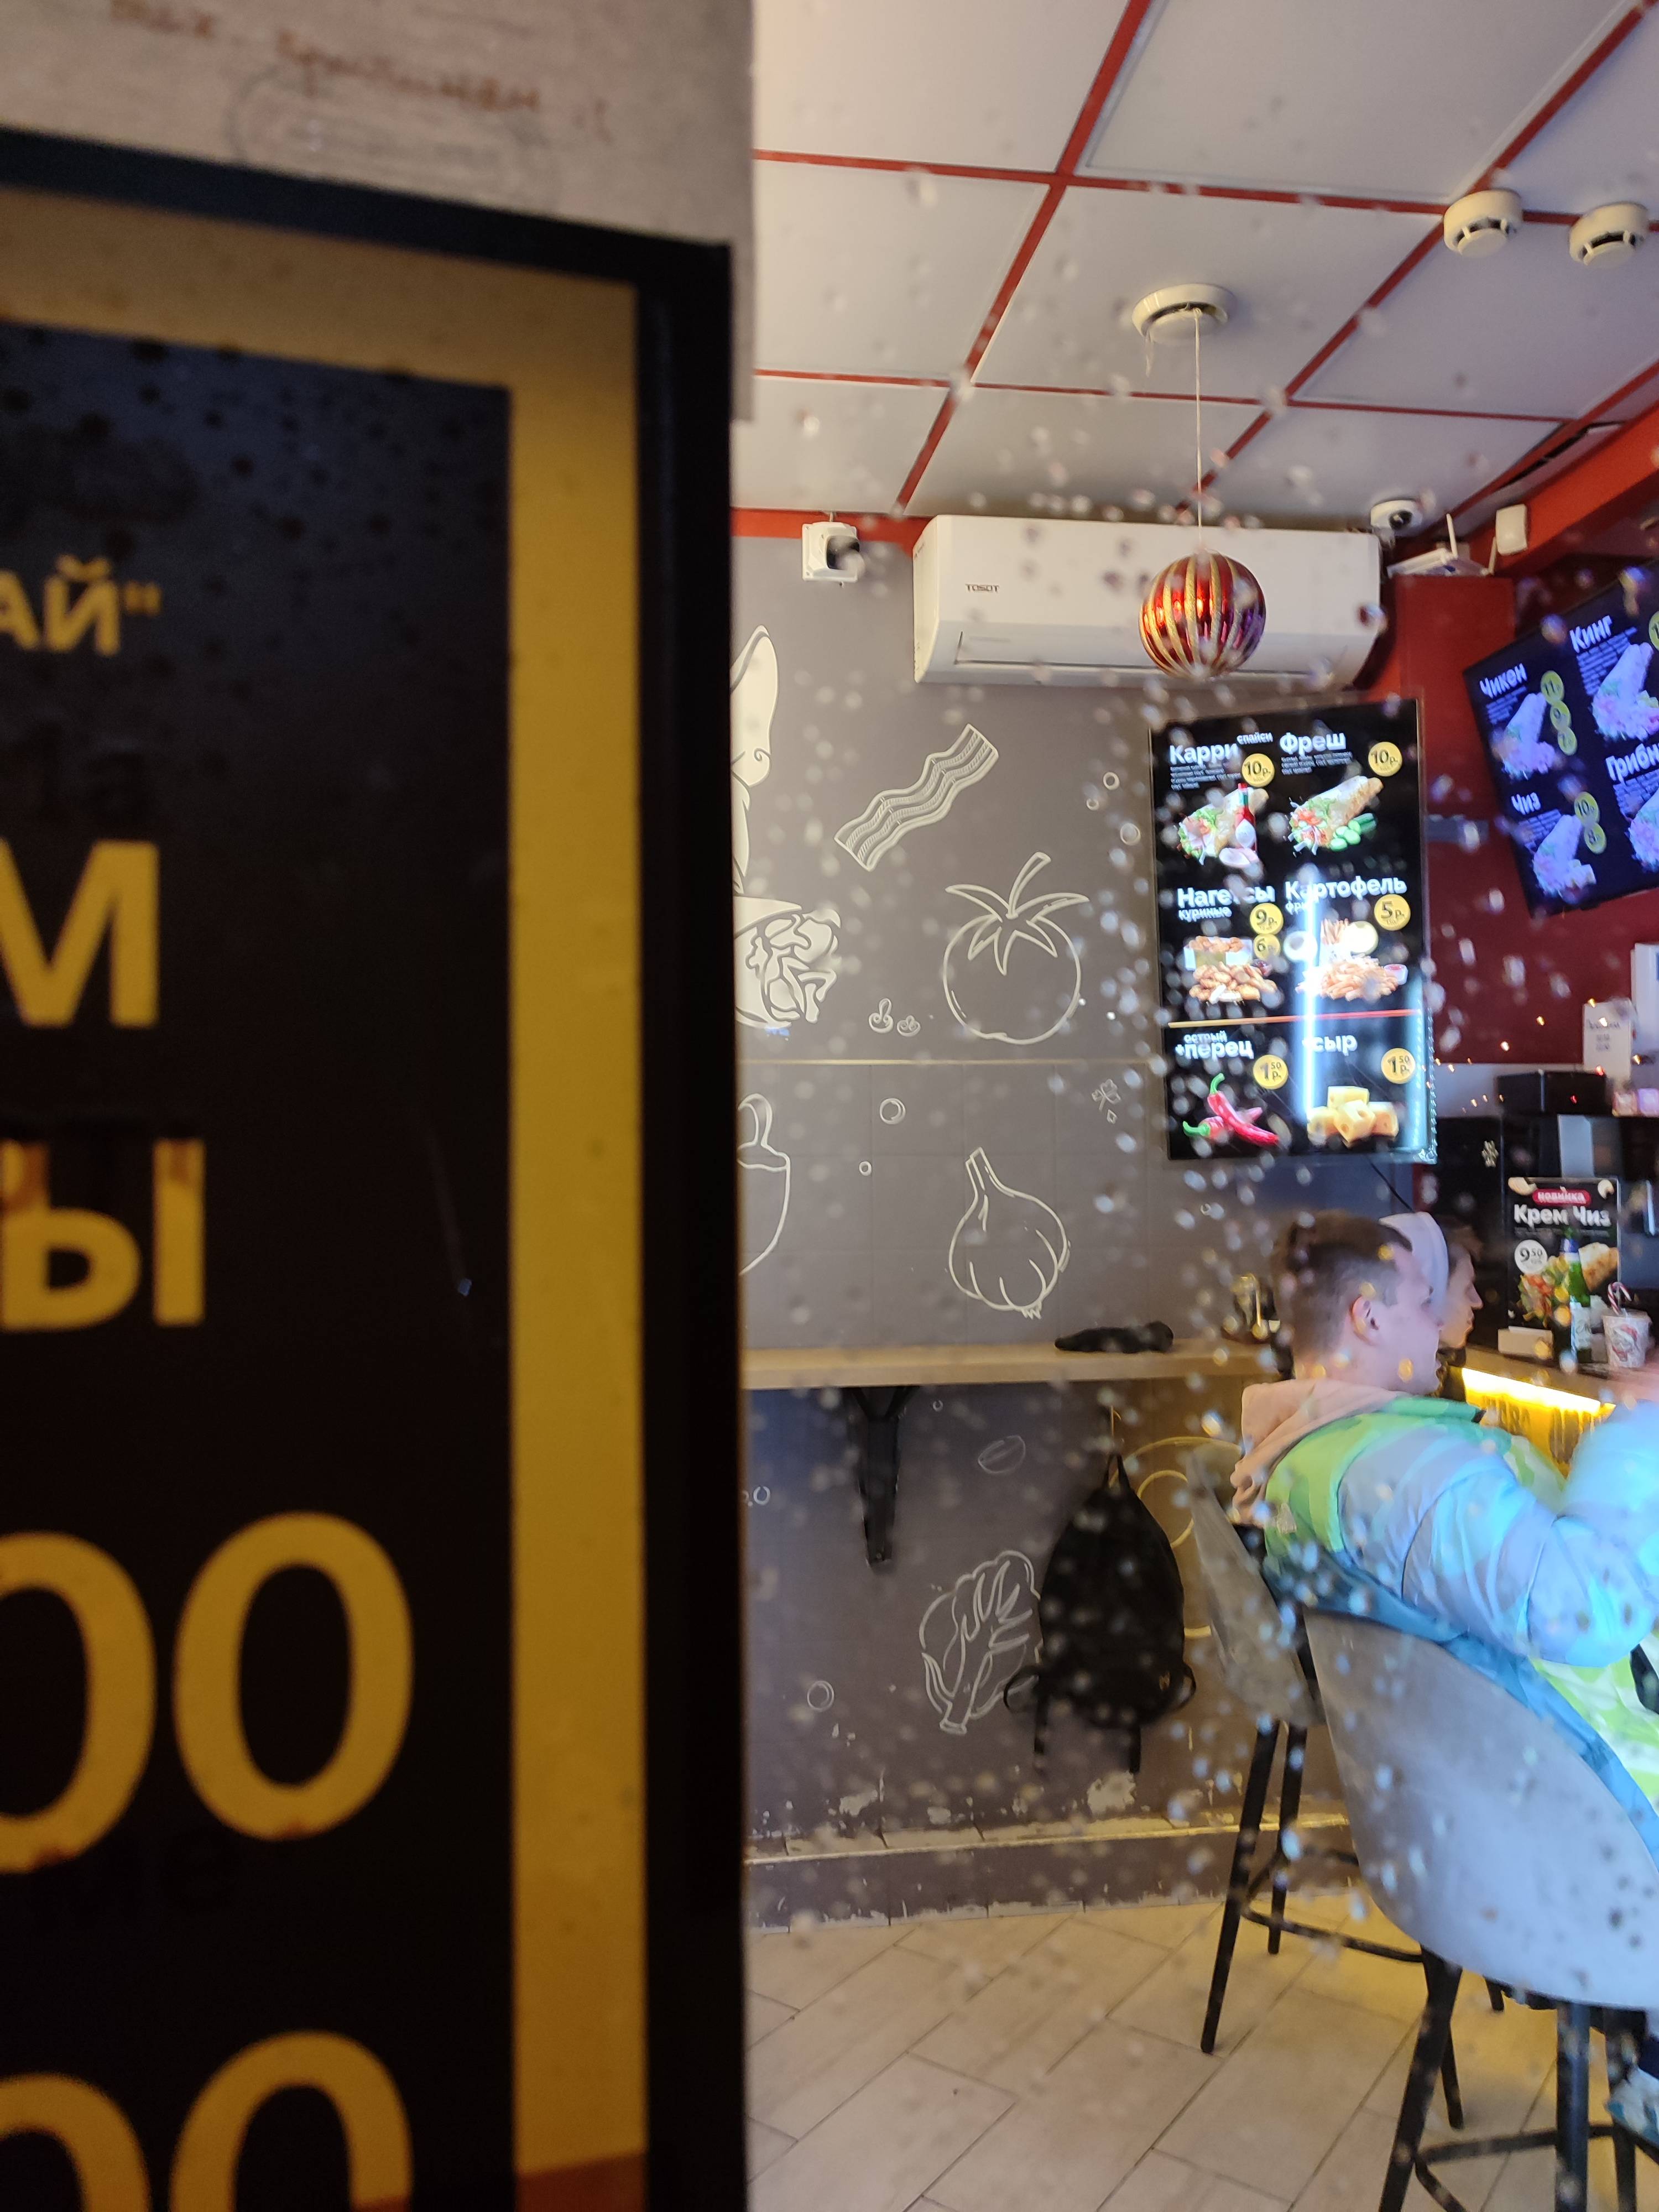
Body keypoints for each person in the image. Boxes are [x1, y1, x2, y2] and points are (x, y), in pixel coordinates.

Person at [1232, 1208, 1659, 2140]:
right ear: (1369, 1317)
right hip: (1585, 1832)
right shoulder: (1402, 1473)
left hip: (1487, 1820)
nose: (1443, 1326)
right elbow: (1586, 1611)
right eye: (1428, 1303)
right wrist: (1633, 1431)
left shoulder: (1308, 1455)